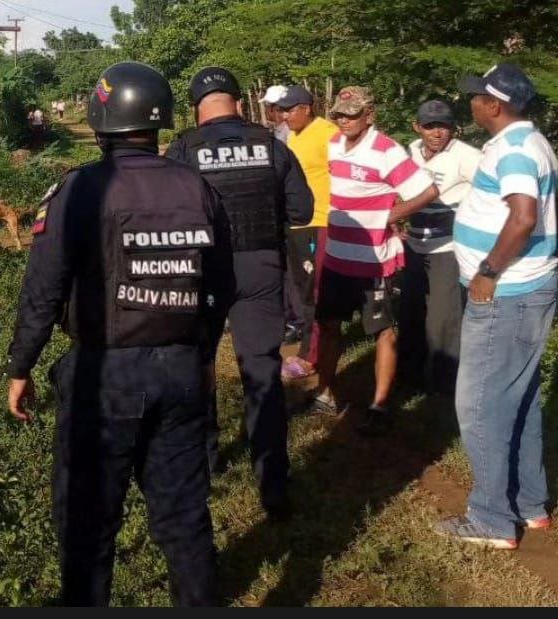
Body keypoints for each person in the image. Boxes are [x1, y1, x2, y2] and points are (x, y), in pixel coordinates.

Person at [6, 62, 232, 606]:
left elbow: (45, 287)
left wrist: (21, 365)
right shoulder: (196, 185)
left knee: (87, 522)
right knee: (183, 518)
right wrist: (203, 352)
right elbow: (221, 283)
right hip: (181, 371)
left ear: (101, 114)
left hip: (105, 377)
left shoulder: (81, 190)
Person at [166, 66, 313, 518]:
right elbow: (302, 210)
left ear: (196, 106)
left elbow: (166, 212)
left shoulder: (184, 149)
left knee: (198, 365)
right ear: (238, 102)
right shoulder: (271, 144)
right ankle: (274, 485)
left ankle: (203, 466)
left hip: (202, 269)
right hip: (261, 266)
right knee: (262, 369)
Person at [435, 64, 558, 550]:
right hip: (529, 291)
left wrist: (488, 271)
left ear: (495, 105)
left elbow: (524, 216)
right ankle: (530, 504)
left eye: (475, 98)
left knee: (479, 406)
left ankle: (490, 517)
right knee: (519, 398)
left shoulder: (513, 149)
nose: (469, 104)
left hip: (506, 296)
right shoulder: (529, 142)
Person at [308, 86, 438, 434]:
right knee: (330, 325)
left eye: (352, 114)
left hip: (374, 261)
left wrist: (388, 215)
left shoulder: (387, 151)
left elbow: (427, 191)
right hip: (337, 255)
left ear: (370, 116)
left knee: (383, 331)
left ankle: (379, 404)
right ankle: (324, 392)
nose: (344, 120)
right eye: (338, 114)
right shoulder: (334, 144)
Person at [397, 99, 480, 396]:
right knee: (411, 310)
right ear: (417, 126)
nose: (436, 132)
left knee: (443, 316)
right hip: (414, 243)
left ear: (453, 128)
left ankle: (444, 385)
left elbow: (490, 193)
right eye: (429, 126)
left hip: (448, 246)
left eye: (443, 126)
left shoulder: (468, 156)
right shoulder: (410, 151)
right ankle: (408, 375)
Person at [276, 85, 337, 380]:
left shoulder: (327, 133)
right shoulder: (293, 135)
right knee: (301, 289)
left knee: (315, 291)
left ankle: (310, 356)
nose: (284, 115)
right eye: (282, 110)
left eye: (289, 109)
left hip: (320, 222)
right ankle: (305, 342)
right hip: (297, 223)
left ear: (306, 108)